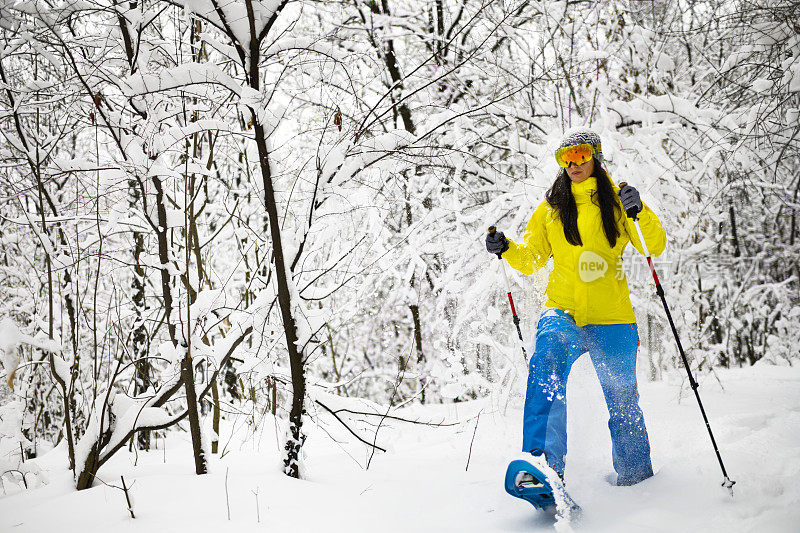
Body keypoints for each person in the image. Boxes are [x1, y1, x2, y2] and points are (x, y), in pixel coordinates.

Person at [486, 128, 666, 486]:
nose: (574, 163)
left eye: (581, 154)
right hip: (562, 312)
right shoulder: (551, 210)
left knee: (623, 401)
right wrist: (505, 246)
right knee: (545, 374)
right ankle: (542, 467)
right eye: (566, 158)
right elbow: (533, 258)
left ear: (595, 157)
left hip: (612, 316)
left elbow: (654, 245)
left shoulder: (618, 203)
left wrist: (639, 210)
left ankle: (637, 481)